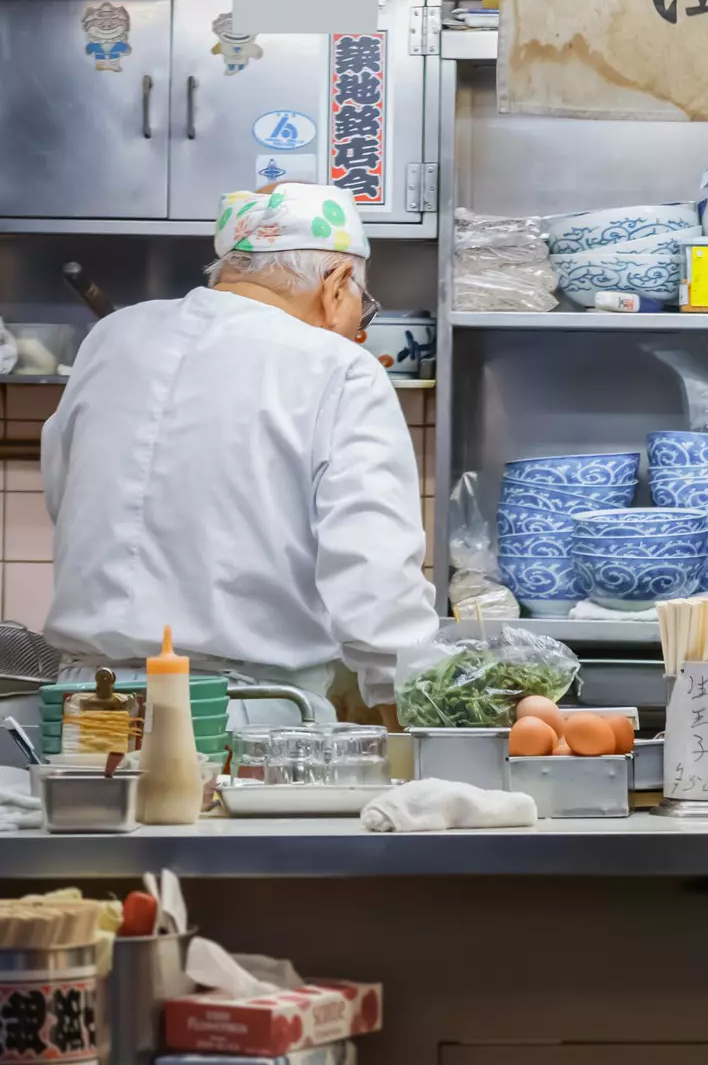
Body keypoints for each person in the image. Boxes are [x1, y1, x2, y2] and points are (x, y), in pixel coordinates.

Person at [43, 184, 439, 727]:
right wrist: (410, 708)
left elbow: (63, 493)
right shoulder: (338, 366)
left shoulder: (111, 338)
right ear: (338, 284)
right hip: (244, 717)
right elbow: (375, 570)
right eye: (362, 310)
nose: (358, 328)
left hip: (86, 709)